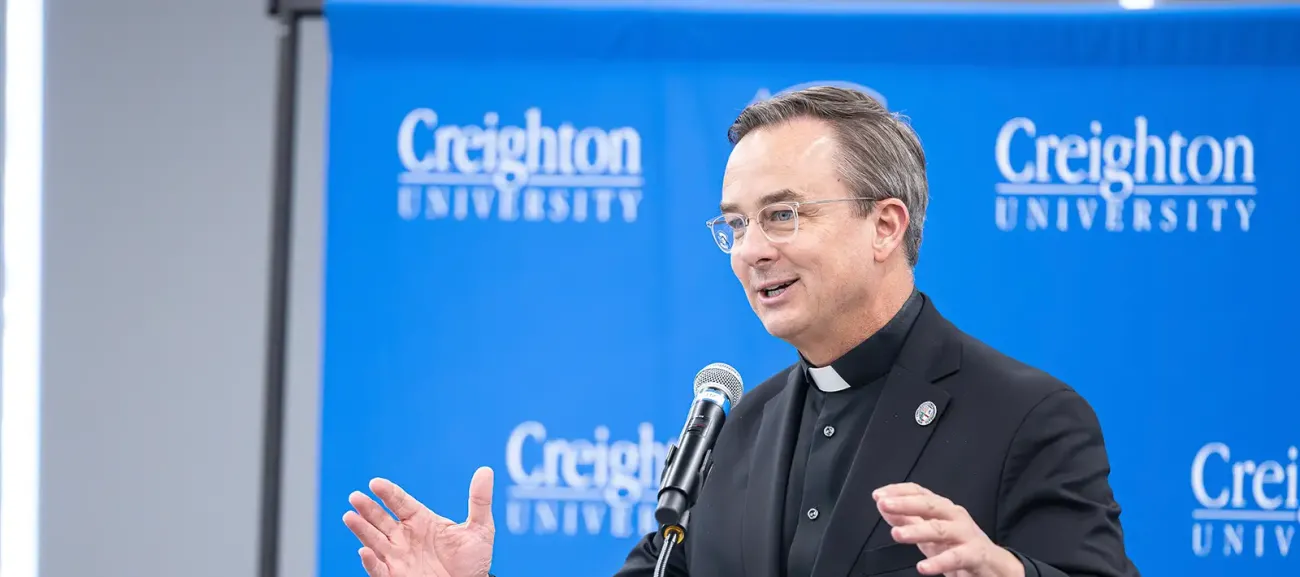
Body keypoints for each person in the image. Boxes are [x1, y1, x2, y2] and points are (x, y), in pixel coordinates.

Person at [341, 86, 1141, 577]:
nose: (753, 248)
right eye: (735, 224)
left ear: (885, 224)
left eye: (783, 214)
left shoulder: (1027, 416)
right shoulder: (728, 433)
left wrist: (1008, 573)